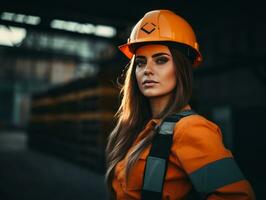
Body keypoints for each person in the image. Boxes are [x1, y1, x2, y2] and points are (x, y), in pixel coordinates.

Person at [105, 9, 255, 200]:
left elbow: (238, 197)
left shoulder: (191, 128)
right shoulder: (137, 128)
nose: (147, 70)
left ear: (181, 68)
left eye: (161, 60)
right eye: (141, 63)